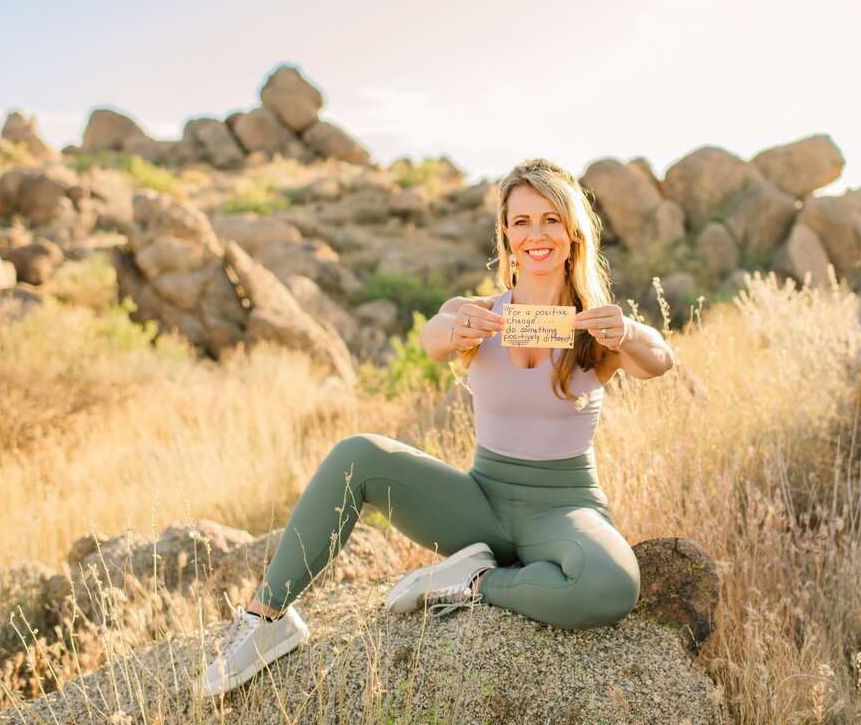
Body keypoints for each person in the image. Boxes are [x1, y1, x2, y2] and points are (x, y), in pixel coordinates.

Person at [201, 157, 676, 695]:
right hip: (479, 505)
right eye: (521, 222)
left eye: (549, 220)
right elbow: (431, 339)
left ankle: (472, 580)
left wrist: (630, 329)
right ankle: (266, 620)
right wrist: (454, 327)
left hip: (564, 509)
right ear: (505, 233)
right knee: (357, 452)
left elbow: (659, 360)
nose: (535, 235)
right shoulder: (478, 314)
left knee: (612, 584)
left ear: (572, 233)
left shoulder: (597, 327)